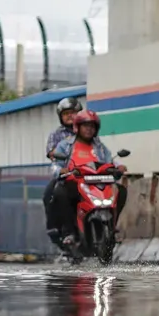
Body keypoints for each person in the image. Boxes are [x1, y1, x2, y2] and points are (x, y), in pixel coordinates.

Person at [48, 110, 127, 247]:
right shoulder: (66, 145)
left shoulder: (99, 147)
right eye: (85, 126)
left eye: (92, 126)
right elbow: (55, 165)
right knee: (60, 192)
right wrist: (61, 170)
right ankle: (69, 233)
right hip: (75, 184)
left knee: (121, 191)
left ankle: (112, 227)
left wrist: (119, 167)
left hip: (98, 184)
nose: (89, 129)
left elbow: (110, 160)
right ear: (77, 127)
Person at [44, 96, 83, 243]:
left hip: (86, 173)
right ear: (61, 117)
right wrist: (62, 158)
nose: (70, 116)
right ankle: (59, 228)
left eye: (73, 113)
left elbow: (98, 150)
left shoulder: (86, 131)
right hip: (65, 173)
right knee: (51, 194)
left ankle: (110, 226)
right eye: (66, 114)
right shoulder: (56, 134)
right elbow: (51, 152)